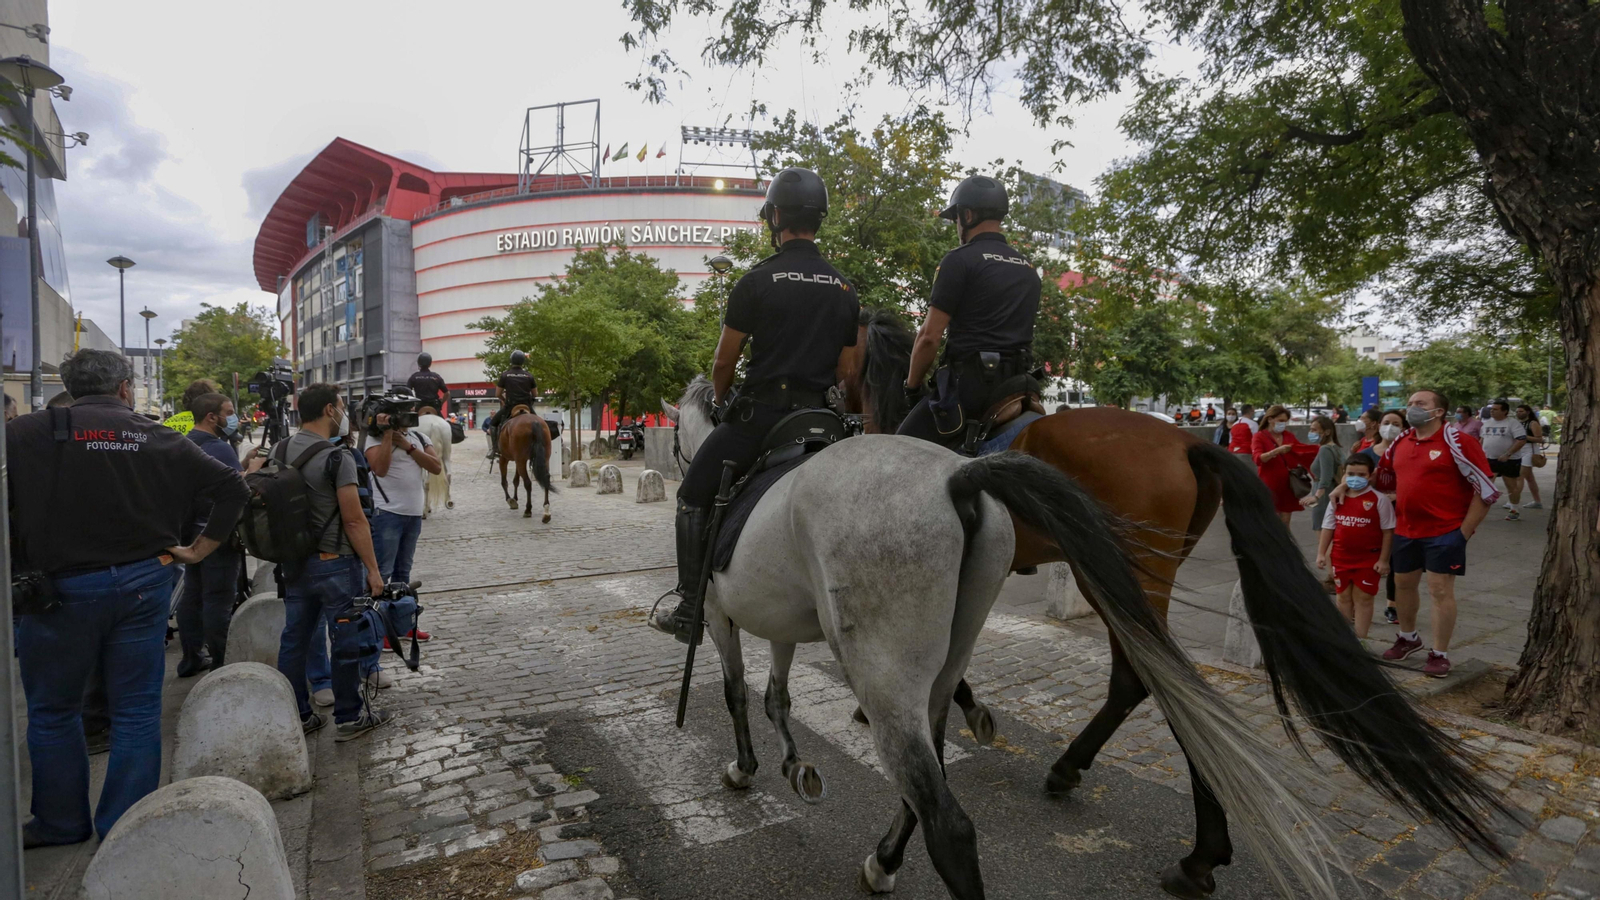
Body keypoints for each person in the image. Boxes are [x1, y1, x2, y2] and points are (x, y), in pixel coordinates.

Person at [6, 350, 249, 847]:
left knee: (54, 711)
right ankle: (125, 826)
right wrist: (199, 550)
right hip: (143, 583)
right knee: (137, 710)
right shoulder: (157, 435)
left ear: (71, 388)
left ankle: (59, 821)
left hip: (57, 591)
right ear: (124, 389)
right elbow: (232, 488)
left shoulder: (26, 434)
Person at [651, 166, 859, 643]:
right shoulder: (845, 289)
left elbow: (723, 364)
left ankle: (688, 605)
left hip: (762, 416)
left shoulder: (756, 281)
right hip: (822, 421)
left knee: (690, 497)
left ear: (776, 217)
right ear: (819, 219)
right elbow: (847, 372)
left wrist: (725, 405)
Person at [273, 383, 393, 740]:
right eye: (341, 406)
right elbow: (354, 519)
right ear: (329, 410)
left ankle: (300, 714)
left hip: (294, 563)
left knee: (294, 640)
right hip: (336, 563)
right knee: (345, 640)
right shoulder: (336, 457)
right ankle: (349, 718)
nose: (344, 413)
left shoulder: (279, 450)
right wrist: (373, 570)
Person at [898, 174, 1040, 447]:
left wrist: (912, 387)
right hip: (1021, 384)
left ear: (967, 215)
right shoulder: (1028, 268)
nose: (956, 226)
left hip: (973, 389)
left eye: (956, 220)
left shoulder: (959, 260)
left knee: (899, 449)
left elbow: (929, 337)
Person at [1370, 390, 1497, 678]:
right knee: (1402, 585)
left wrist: (1463, 533)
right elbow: (1382, 475)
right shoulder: (1401, 441)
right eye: (1410, 403)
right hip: (1405, 530)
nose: (1412, 408)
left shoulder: (1459, 442)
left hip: (1445, 531)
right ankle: (1408, 637)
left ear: (1438, 412)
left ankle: (1439, 653)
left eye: (1420, 404)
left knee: (1439, 590)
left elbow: (1486, 489)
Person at [175, 393, 264, 677]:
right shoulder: (219, 447)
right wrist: (252, 471)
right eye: (229, 411)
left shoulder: (182, 442)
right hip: (216, 534)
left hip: (187, 534)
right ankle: (222, 662)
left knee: (193, 595)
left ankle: (191, 657)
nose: (234, 417)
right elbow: (236, 490)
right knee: (218, 599)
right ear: (211, 417)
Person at [365, 398, 443, 659]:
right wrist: (388, 436)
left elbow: (435, 466)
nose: (406, 418)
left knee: (403, 573)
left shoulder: (419, 437)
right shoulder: (373, 439)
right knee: (383, 574)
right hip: (387, 513)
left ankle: (403, 624)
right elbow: (380, 469)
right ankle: (380, 630)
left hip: (412, 514)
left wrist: (408, 446)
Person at [1316, 452, 1394, 639]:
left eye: (1361, 475)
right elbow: (1328, 527)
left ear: (1370, 475)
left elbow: (1388, 532)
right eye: (1351, 474)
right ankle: (1344, 639)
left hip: (1368, 559)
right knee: (1342, 598)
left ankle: (1361, 640)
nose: (1355, 479)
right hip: (1341, 558)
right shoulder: (1336, 499)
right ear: (1344, 473)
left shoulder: (1379, 500)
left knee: (1363, 599)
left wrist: (1383, 560)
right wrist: (1321, 553)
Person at [1252, 405, 1319, 525]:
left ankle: (1284, 543)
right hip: (1270, 484)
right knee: (1272, 521)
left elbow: (1301, 452)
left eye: (1285, 421)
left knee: (1285, 521)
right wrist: (1276, 451)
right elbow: (1258, 458)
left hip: (1288, 484)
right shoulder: (1259, 436)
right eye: (1280, 421)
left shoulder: (1288, 436)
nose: (1283, 424)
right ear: (1270, 419)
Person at [1302, 414, 1348, 539]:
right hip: (1332, 492)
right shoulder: (1336, 448)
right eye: (1310, 429)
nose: (1311, 433)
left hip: (1323, 497)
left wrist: (1316, 497)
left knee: (1323, 536)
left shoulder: (1325, 450)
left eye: (1314, 430)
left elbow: (1326, 477)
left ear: (1327, 432)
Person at [1479, 399, 1526, 521]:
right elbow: (1483, 439)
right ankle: (1478, 510)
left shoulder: (1512, 423)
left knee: (1511, 486)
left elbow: (1521, 440)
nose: (1492, 411)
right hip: (1489, 459)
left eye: (1495, 409)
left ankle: (1514, 509)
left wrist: (1508, 454)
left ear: (1505, 411)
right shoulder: (1487, 423)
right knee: (1486, 485)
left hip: (1509, 460)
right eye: (1491, 409)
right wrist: (1478, 453)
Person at [486, 351, 536, 459]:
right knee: (541, 424)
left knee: (493, 424)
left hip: (510, 407)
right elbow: (535, 394)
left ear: (511, 361)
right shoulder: (529, 376)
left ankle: (495, 449)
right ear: (523, 362)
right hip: (526, 406)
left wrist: (504, 400)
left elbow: (498, 393)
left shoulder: (505, 375)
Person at [417, 404, 454, 514]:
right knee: (446, 459)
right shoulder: (442, 422)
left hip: (420, 407)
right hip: (436, 408)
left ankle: (425, 505)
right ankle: (448, 496)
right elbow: (446, 393)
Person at [1516, 403, 1544, 509]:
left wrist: (1525, 437)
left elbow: (1539, 438)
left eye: (1521, 411)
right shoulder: (1518, 423)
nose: (1519, 413)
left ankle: (1513, 501)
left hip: (1529, 450)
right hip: (1519, 450)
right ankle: (1537, 501)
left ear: (1527, 412)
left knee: (1520, 476)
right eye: (1517, 411)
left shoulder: (1532, 423)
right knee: (1530, 478)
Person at [406, 353, 450, 418]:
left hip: (419, 406)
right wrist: (441, 403)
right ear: (430, 363)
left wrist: (412, 405)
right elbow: (447, 393)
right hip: (434, 407)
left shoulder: (414, 377)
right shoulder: (436, 376)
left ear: (418, 363)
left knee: (410, 426)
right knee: (446, 425)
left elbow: (407, 391)